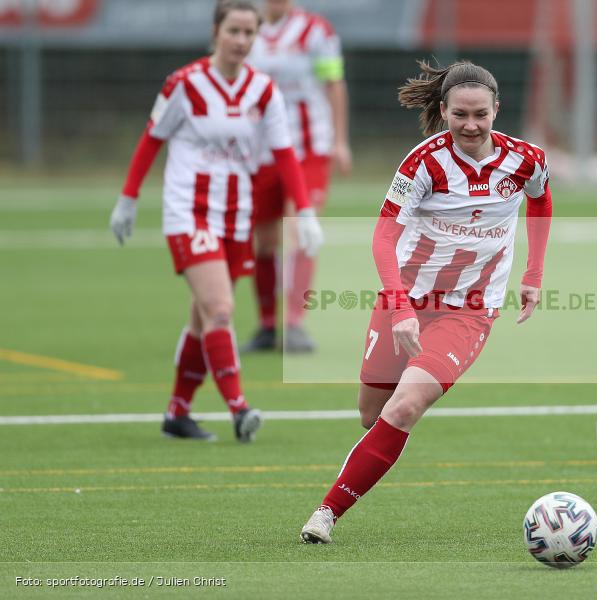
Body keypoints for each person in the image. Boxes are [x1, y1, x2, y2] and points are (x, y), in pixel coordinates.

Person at [298, 60, 553, 543]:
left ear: (497, 109)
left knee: (406, 405)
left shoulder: (526, 159)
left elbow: (540, 200)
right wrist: (399, 307)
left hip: (470, 310)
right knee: (372, 416)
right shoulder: (422, 162)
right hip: (408, 299)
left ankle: (325, 514)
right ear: (444, 110)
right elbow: (382, 236)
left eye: (481, 114)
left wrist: (533, 274)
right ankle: (359, 473)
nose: (471, 125)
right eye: (460, 114)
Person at [108, 0, 322, 442]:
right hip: (189, 213)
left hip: (235, 217)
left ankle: (177, 413)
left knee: (203, 316)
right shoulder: (184, 84)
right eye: (234, 31)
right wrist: (128, 198)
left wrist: (303, 211)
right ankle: (239, 409)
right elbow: (152, 140)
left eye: (249, 33)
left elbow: (284, 155)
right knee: (221, 309)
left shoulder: (263, 90)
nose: (242, 41)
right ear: (216, 32)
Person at [242, 0, 353, 353]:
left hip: (309, 148)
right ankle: (267, 325)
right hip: (260, 151)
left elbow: (334, 83)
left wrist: (340, 141)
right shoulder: (245, 29)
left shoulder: (316, 31)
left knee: (301, 229)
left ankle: (294, 323)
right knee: (265, 240)